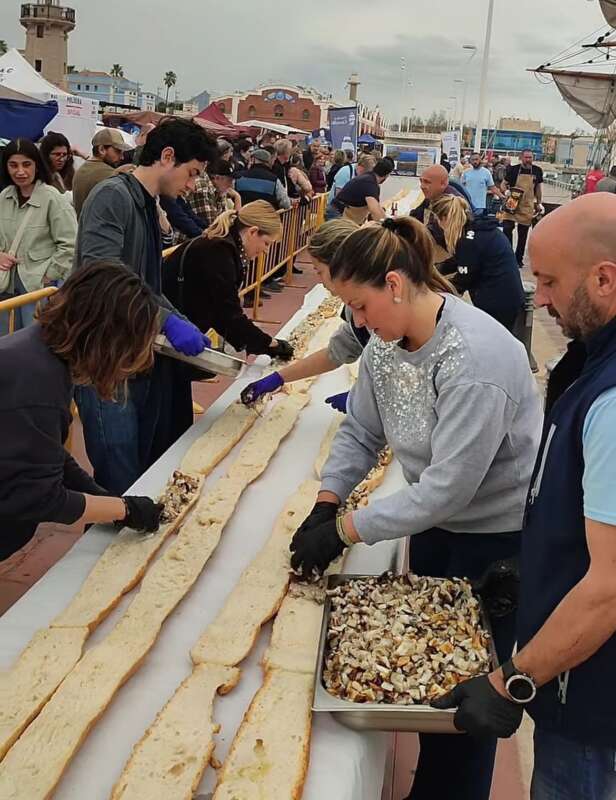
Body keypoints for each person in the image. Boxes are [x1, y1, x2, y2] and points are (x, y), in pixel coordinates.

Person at [289, 216, 542, 800]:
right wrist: (326, 505)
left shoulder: (475, 360)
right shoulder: (384, 343)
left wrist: (348, 530)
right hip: (436, 530)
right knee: (430, 678)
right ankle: (433, 786)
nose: (357, 320)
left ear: (396, 285)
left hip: (495, 541)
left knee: (469, 699)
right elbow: (360, 431)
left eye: (359, 304)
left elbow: (448, 487)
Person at [433, 192, 616, 800]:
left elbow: (610, 586)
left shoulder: (613, 400)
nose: (540, 298)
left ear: (604, 278)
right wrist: (534, 566)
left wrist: (513, 678)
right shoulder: (591, 365)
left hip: (596, 711)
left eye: (548, 280)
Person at [74, 118, 217, 495]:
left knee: (142, 469)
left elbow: (146, 284)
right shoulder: (112, 197)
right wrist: (168, 321)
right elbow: (103, 278)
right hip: (104, 361)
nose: (190, 186)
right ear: (167, 156)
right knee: (119, 477)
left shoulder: (148, 205)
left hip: (135, 355)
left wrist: (182, 321)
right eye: (191, 174)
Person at [0, 262, 165, 560]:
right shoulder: (37, 382)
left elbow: (45, 452)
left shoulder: (41, 353)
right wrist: (123, 510)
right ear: (109, 340)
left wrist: (103, 497)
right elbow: (39, 497)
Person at [240, 218, 365, 407]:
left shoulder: (384, 309)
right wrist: (279, 377)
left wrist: (370, 401)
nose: (319, 280)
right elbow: (338, 351)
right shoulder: (352, 309)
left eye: (319, 271)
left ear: (341, 267)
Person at [162, 201, 293, 360]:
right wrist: (269, 344)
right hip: (165, 329)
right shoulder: (219, 253)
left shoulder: (224, 247)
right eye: (266, 243)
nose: (266, 251)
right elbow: (227, 314)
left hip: (176, 324)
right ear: (253, 232)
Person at [0, 138, 77, 334]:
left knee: (34, 341)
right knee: (5, 341)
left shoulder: (52, 198)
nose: (20, 171)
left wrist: (48, 276)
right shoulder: (3, 197)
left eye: (26, 164)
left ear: (36, 165)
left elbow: (70, 243)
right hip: (5, 284)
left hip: (37, 289)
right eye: (13, 165)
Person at [431, 194, 524, 330]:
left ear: (444, 219)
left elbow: (461, 282)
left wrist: (431, 293)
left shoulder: (468, 241)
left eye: (437, 221)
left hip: (497, 303)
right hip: (509, 297)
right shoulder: (477, 230)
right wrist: (433, 269)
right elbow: (460, 260)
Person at [72, 128, 133, 218]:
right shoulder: (110, 175)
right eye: (118, 151)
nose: (122, 157)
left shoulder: (82, 169)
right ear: (102, 149)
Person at [502, 149, 543, 267]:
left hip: (527, 205)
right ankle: (507, 257)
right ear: (521, 157)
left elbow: (538, 188)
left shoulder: (537, 171)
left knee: (523, 234)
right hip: (512, 202)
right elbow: (503, 184)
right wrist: (506, 191)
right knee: (507, 229)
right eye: (526, 157)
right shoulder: (513, 170)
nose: (528, 160)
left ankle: (518, 259)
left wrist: (539, 203)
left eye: (530, 157)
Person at [331, 157, 393, 223]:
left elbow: (377, 207)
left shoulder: (369, 178)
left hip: (342, 212)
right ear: (387, 175)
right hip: (338, 213)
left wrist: (385, 218)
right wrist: (387, 226)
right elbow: (374, 210)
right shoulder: (370, 183)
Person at [186, 159, 241, 229]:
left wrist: (237, 197)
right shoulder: (203, 188)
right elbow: (213, 227)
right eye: (229, 181)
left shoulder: (218, 190)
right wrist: (237, 199)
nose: (231, 186)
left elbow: (228, 222)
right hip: (188, 238)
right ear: (217, 178)